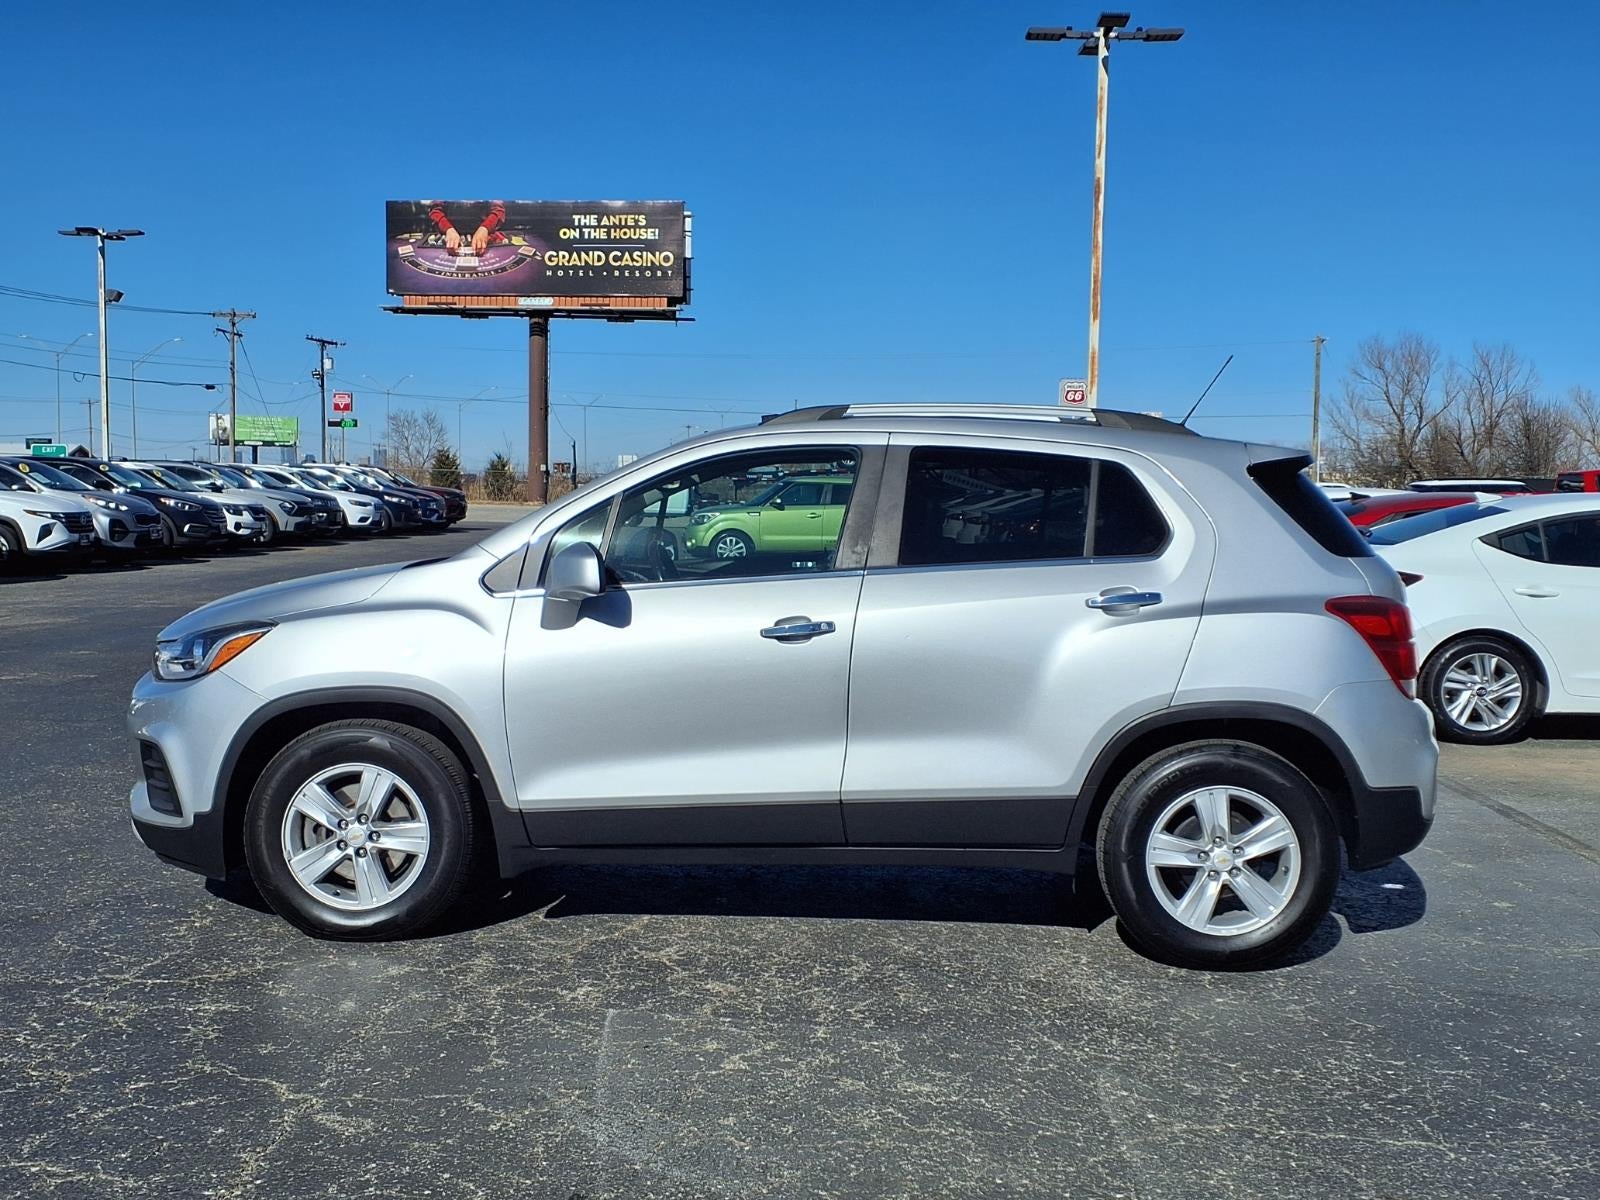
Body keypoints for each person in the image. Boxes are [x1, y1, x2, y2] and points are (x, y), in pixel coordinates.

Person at [427, 201, 506, 255]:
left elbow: (498, 210)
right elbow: (435, 210)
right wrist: (448, 229)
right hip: (450, 239)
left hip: (485, 238)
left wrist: (485, 228)